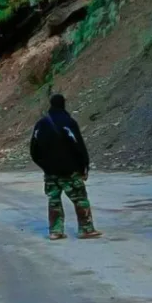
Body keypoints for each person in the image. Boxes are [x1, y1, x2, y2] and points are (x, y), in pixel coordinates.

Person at [30, 94, 102, 240]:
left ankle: (55, 231)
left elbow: (33, 150)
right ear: (63, 104)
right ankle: (86, 229)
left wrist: (45, 166)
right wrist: (84, 167)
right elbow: (79, 147)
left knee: (54, 200)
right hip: (70, 171)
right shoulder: (69, 123)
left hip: (50, 173)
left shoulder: (41, 124)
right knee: (80, 199)